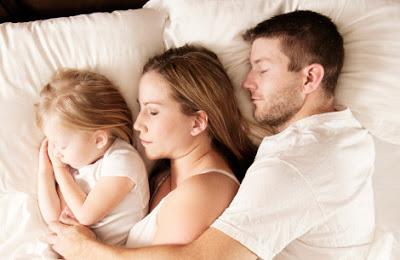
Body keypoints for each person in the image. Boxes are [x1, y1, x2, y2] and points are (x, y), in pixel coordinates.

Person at [47, 10, 376, 259]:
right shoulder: (335, 141)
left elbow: (205, 258)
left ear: (310, 78)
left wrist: (88, 251)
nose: (247, 82)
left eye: (262, 68)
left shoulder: (298, 163)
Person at [36, 69, 149, 246]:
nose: (56, 152)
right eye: (52, 142)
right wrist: (45, 172)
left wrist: (59, 171)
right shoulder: (77, 165)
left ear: (99, 139)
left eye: (62, 145)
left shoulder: (122, 161)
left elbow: (84, 215)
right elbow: (53, 218)